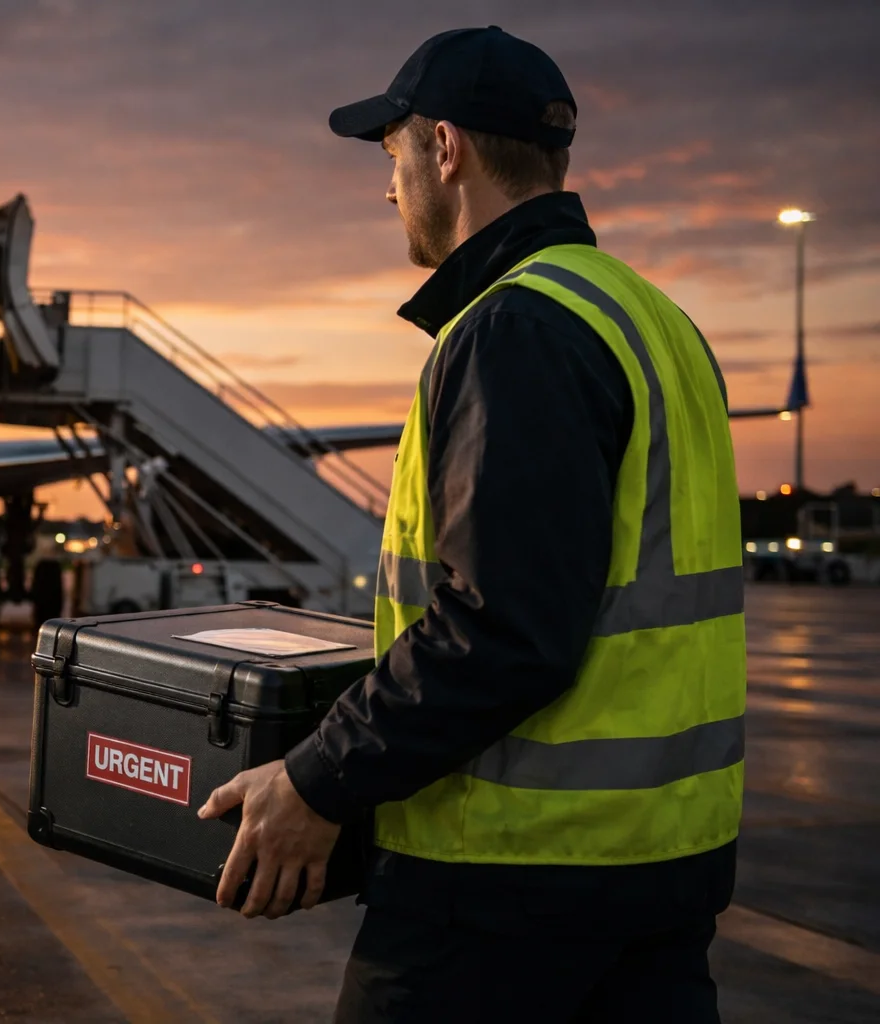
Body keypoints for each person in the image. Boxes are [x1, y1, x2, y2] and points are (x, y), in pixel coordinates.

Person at [197, 26, 745, 1023]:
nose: (388, 185)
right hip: (663, 864)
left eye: (391, 152)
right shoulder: (652, 318)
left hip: (506, 883)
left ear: (443, 148)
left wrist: (317, 780)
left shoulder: (515, 326)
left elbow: (504, 629)